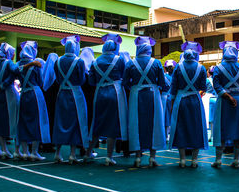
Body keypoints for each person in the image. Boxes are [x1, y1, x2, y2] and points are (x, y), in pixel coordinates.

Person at [123, 36, 167, 168]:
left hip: (136, 95)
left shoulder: (130, 63)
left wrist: (134, 88)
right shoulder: (156, 63)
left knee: (136, 124)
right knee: (154, 124)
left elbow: (125, 83)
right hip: (152, 95)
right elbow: (162, 83)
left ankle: (137, 156)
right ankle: (152, 158)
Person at [86, 33, 128, 166]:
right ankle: (109, 156)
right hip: (115, 93)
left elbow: (91, 81)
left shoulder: (95, 61)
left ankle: (88, 152)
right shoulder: (119, 59)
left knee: (97, 123)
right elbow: (124, 76)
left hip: (99, 93)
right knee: (113, 124)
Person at [169, 41, 208, 168]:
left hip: (181, 101)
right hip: (195, 100)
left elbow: (173, 87)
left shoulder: (178, 67)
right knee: (196, 128)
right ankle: (195, 160)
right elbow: (203, 87)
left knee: (181, 127)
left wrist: (173, 101)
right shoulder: (201, 68)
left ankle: (182, 160)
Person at [211, 41, 239, 168]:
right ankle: (236, 159)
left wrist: (228, 96)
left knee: (221, 128)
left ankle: (218, 159)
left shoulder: (218, 68)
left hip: (224, 101)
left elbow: (216, 86)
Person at [53, 35, 89, 163]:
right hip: (75, 94)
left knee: (60, 121)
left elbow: (57, 79)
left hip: (62, 93)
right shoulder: (79, 61)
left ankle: (57, 152)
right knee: (75, 122)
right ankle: (72, 154)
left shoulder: (57, 61)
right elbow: (82, 80)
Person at [16, 41, 52, 161]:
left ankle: (25, 151)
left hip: (23, 93)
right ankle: (34, 152)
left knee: (23, 122)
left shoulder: (18, 64)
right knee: (38, 121)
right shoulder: (35, 65)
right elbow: (41, 82)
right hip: (35, 94)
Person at [163, 60, 176, 141]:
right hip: (175, 98)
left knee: (166, 116)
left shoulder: (164, 76)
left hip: (166, 98)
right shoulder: (177, 77)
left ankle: (166, 135)